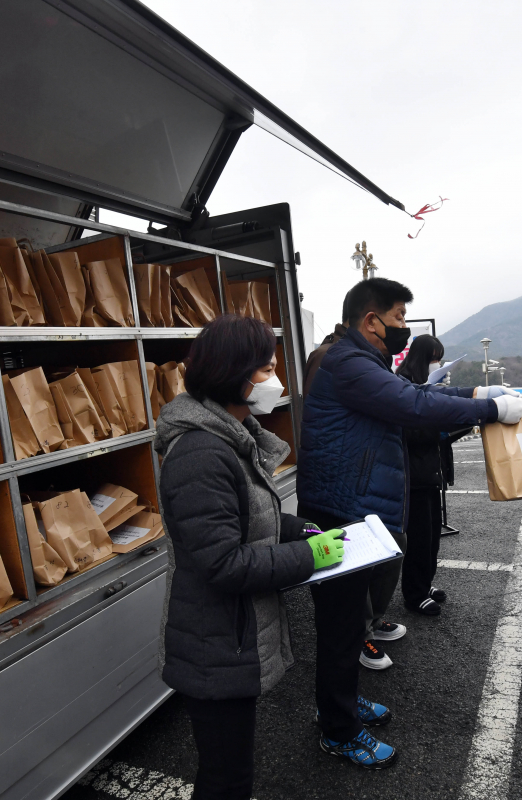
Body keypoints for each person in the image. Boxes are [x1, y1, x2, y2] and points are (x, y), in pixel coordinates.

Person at [297, 278, 522, 767]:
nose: (404, 328)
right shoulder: (348, 364)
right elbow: (413, 405)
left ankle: (338, 704)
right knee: (340, 627)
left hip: (352, 507)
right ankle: (337, 730)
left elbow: (414, 393)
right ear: (371, 321)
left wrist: (479, 391)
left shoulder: (365, 361)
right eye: (399, 318)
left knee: (348, 622)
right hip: (339, 513)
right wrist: (490, 409)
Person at [155, 314, 384, 799]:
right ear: (230, 372)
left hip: (228, 637)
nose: (275, 380)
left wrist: (310, 532)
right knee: (226, 779)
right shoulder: (201, 453)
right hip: (213, 644)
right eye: (265, 369)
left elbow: (254, 520)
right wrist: (311, 556)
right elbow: (223, 564)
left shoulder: (232, 438)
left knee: (231, 773)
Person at [395, 334, 468, 616]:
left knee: (432, 536)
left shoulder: (426, 385)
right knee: (419, 537)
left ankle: (424, 586)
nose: (438, 362)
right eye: (435, 358)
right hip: (414, 475)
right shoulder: (405, 384)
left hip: (430, 472)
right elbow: (411, 431)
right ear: (423, 358)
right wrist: (439, 424)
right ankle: (413, 594)